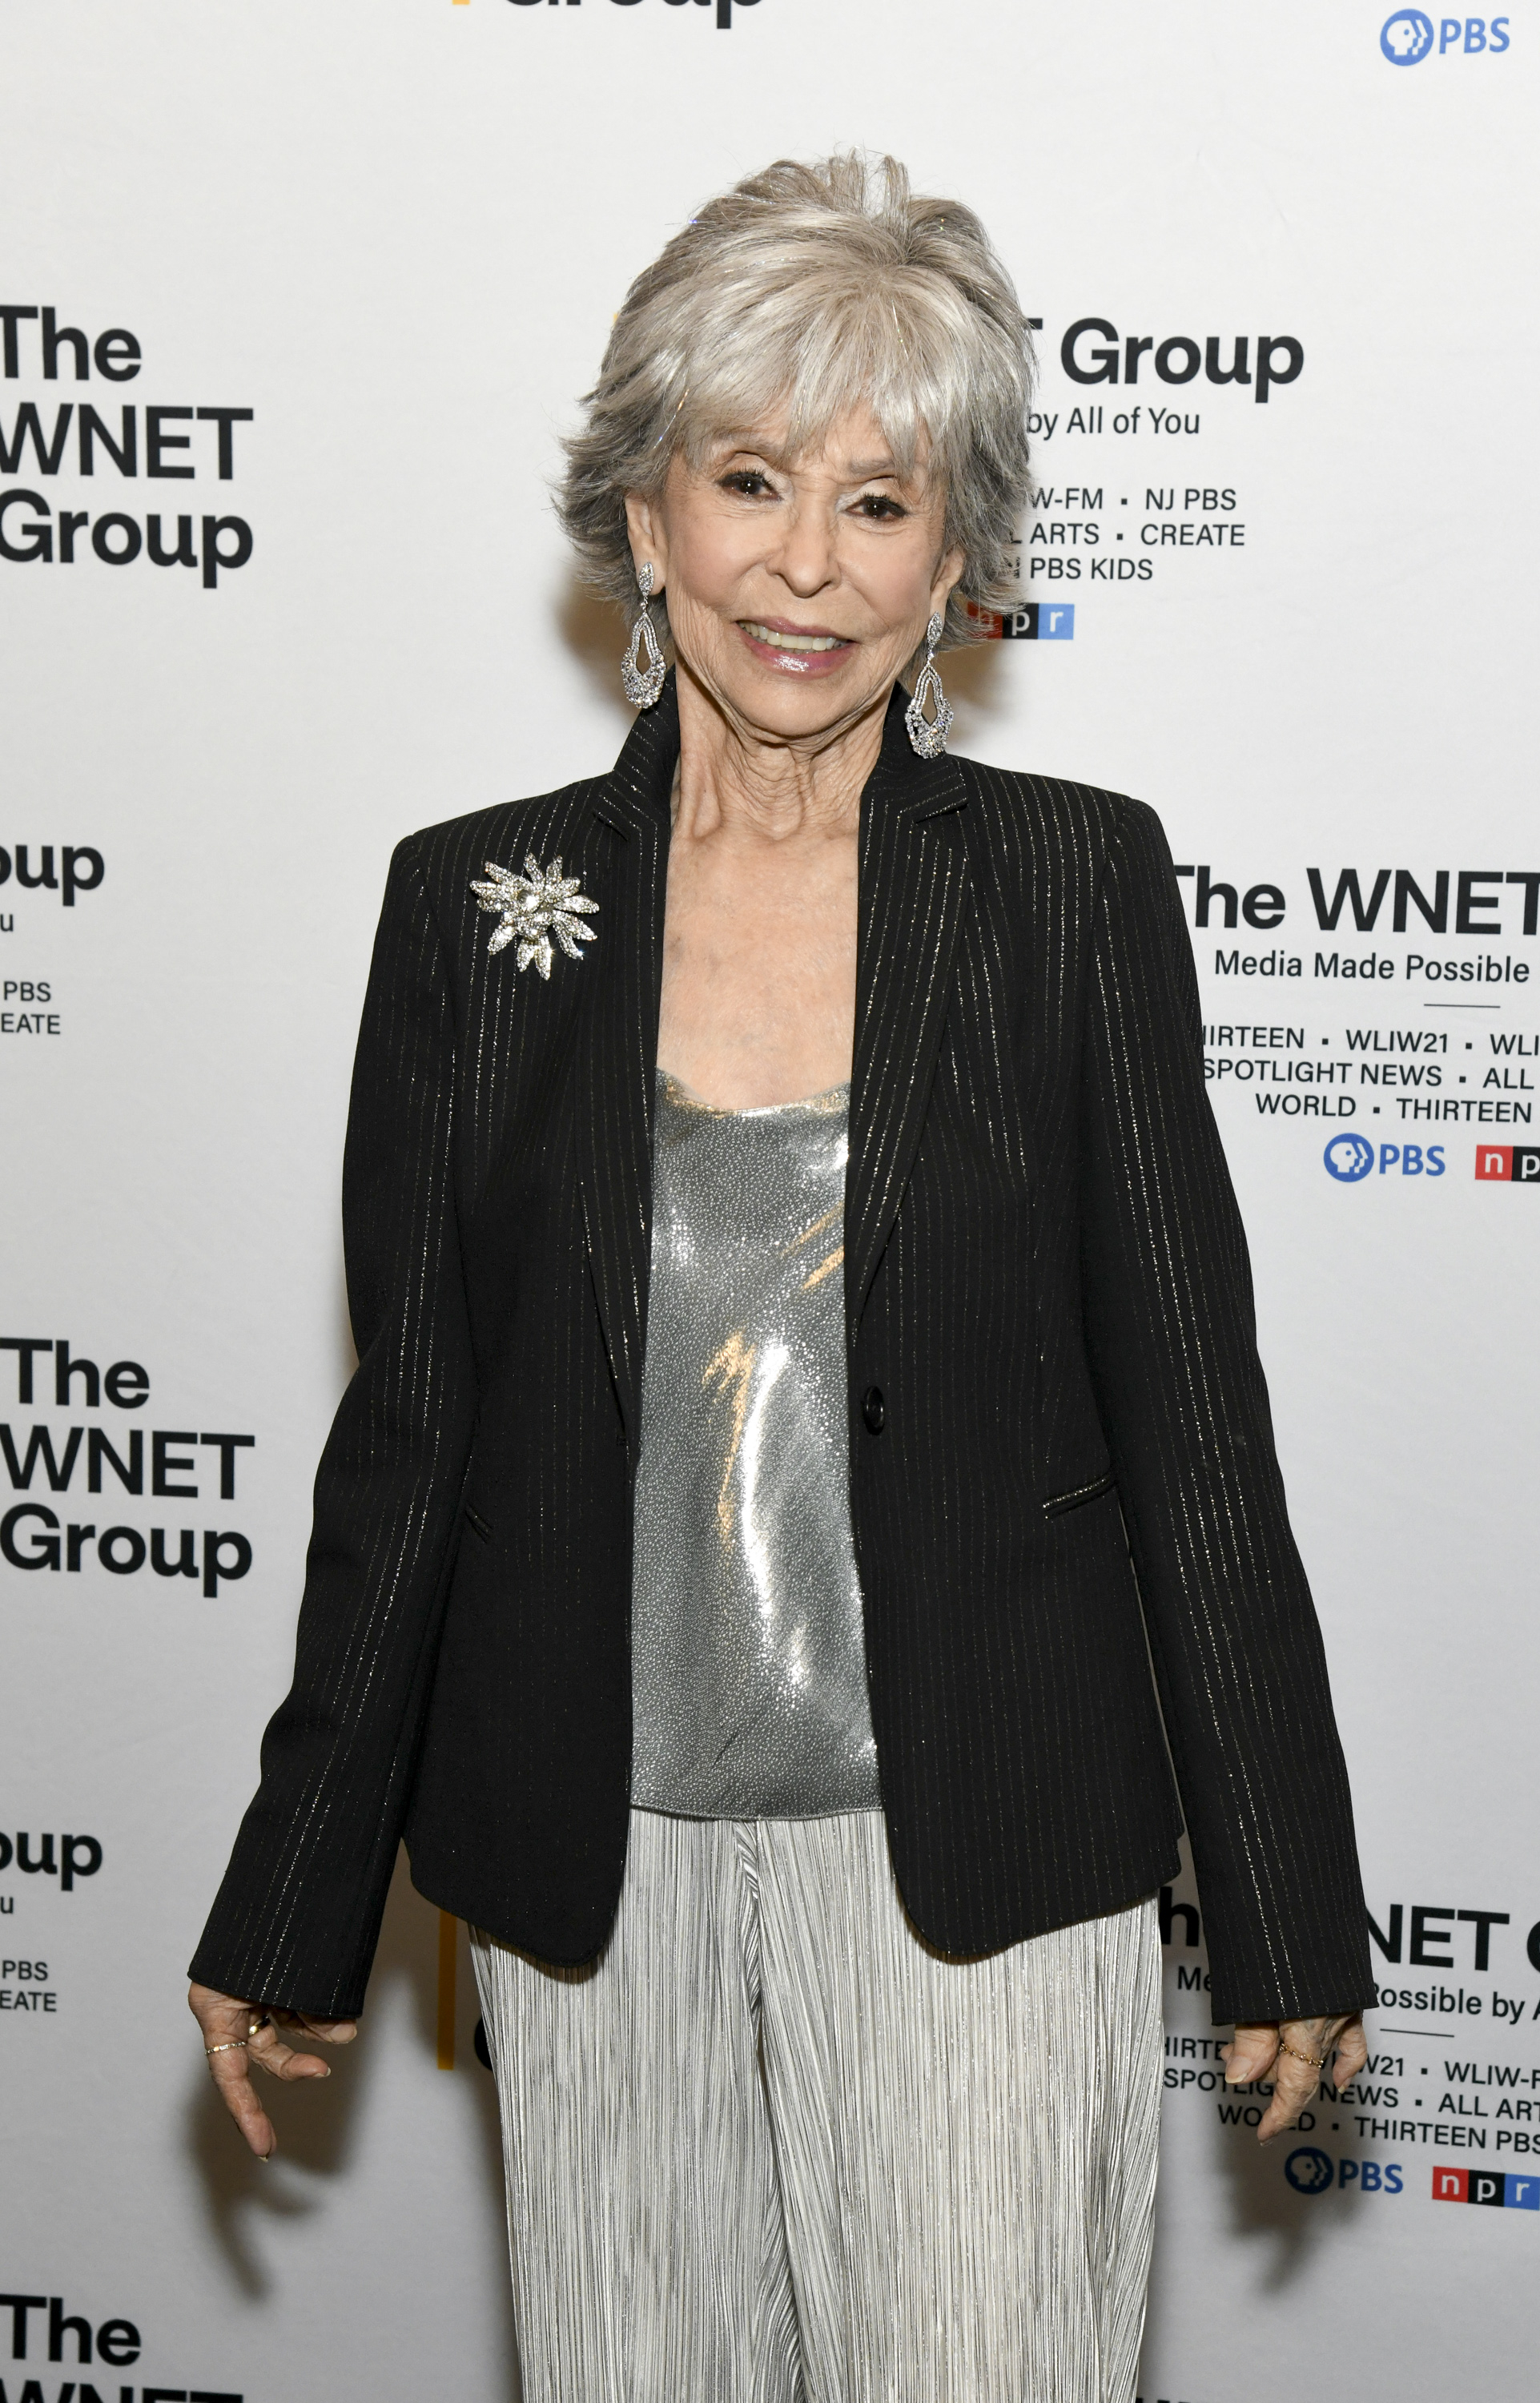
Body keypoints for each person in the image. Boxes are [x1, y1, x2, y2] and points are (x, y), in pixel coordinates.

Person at [189, 153, 1375, 2402]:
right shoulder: (476, 909)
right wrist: (297, 1892)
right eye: (749, 480)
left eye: (882, 502)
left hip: (984, 1880)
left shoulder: (1065, 890)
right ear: (644, 515)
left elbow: (1196, 1434)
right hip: (589, 1889)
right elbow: (415, 1441)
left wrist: (1287, 1903)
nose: (806, 567)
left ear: (960, 562)